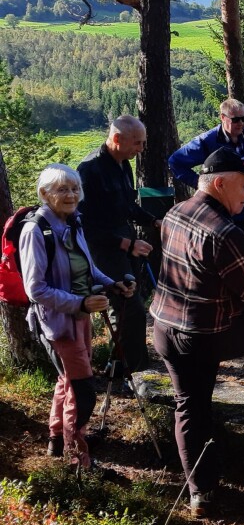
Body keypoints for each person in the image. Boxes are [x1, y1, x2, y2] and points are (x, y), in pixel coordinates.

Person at [150, 149, 244, 517]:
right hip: (204, 337)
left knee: (190, 406)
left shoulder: (173, 213)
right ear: (219, 183)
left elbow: (194, 273)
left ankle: (202, 492)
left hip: (165, 329)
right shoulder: (227, 234)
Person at [20, 164, 136, 467]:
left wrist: (113, 283)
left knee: (67, 381)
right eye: (62, 189)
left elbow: (88, 267)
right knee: (83, 393)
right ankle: (78, 462)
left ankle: (57, 441)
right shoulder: (36, 231)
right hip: (58, 324)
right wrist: (80, 304)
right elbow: (36, 290)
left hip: (80, 317)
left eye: (74, 189)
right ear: (45, 194)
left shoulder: (74, 222)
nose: (70, 195)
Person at [77, 114, 159, 373]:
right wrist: (126, 244)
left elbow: (127, 205)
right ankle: (132, 371)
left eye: (143, 143)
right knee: (127, 306)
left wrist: (154, 221)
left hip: (125, 240)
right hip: (103, 249)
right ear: (117, 139)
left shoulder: (124, 163)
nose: (141, 149)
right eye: (137, 143)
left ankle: (127, 363)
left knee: (133, 304)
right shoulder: (89, 170)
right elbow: (85, 225)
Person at [167, 98, 244, 280]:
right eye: (236, 119)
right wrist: (203, 186)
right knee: (237, 266)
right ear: (223, 118)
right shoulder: (207, 141)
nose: (241, 123)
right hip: (226, 216)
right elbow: (175, 162)